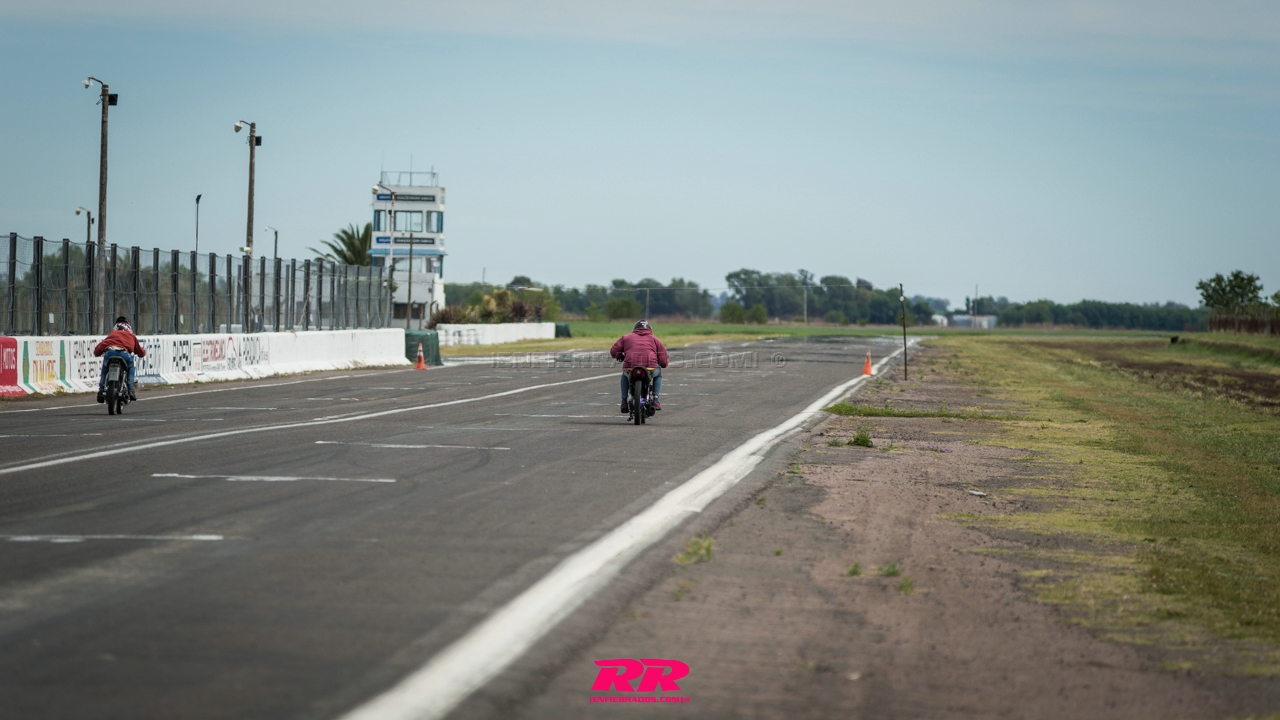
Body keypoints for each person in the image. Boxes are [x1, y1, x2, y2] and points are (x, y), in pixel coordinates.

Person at [610, 320, 668, 412]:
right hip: (650, 367)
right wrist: (661, 362)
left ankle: (624, 401)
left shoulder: (626, 337)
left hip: (630, 367)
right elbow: (664, 361)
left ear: (635, 329)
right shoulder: (655, 339)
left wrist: (620, 356)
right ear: (650, 329)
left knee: (624, 375)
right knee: (658, 374)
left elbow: (614, 352)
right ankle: (656, 400)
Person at [95, 317, 146, 402]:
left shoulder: (112, 334)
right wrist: (142, 352)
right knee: (130, 367)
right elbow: (141, 353)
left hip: (110, 353)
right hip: (124, 354)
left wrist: (100, 352)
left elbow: (97, 351)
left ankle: (101, 389)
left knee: (105, 367)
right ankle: (131, 390)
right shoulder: (131, 335)